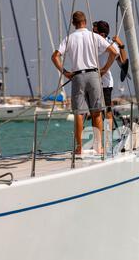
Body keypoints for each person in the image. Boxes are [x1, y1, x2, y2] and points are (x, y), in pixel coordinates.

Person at [51, 11, 117, 155]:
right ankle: (98, 147)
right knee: (97, 112)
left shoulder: (69, 38)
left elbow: (55, 56)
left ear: (73, 23)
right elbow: (113, 52)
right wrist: (105, 69)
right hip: (94, 74)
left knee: (79, 114)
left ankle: (80, 147)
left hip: (77, 76)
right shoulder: (94, 36)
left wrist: (65, 72)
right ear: (85, 22)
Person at [95, 20, 127, 131]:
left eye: (94, 31)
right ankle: (98, 139)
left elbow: (123, 61)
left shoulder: (110, 44)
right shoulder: (92, 42)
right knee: (95, 111)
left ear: (102, 34)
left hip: (106, 83)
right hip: (92, 81)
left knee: (107, 110)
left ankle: (107, 138)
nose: (92, 34)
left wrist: (121, 45)